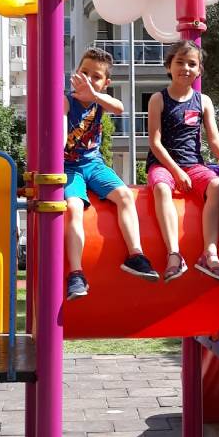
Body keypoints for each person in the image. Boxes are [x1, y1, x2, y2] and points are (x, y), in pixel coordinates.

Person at [64, 48, 158, 300]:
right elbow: (59, 114)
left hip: (94, 165)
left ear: (106, 83)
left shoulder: (100, 100)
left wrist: (94, 94)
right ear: (76, 73)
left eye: (96, 76)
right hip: (69, 167)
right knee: (73, 207)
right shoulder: (67, 100)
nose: (89, 78)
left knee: (126, 196)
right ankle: (76, 273)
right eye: (84, 72)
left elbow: (119, 107)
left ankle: (135, 255)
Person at [146, 40, 219, 283]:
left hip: (193, 164)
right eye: (180, 62)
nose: (186, 68)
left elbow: (214, 138)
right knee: (161, 187)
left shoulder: (203, 101)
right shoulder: (158, 99)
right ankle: (174, 253)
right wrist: (176, 171)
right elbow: (155, 142)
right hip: (163, 164)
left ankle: (209, 251)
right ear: (168, 66)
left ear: (199, 70)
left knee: (216, 185)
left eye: (192, 64)